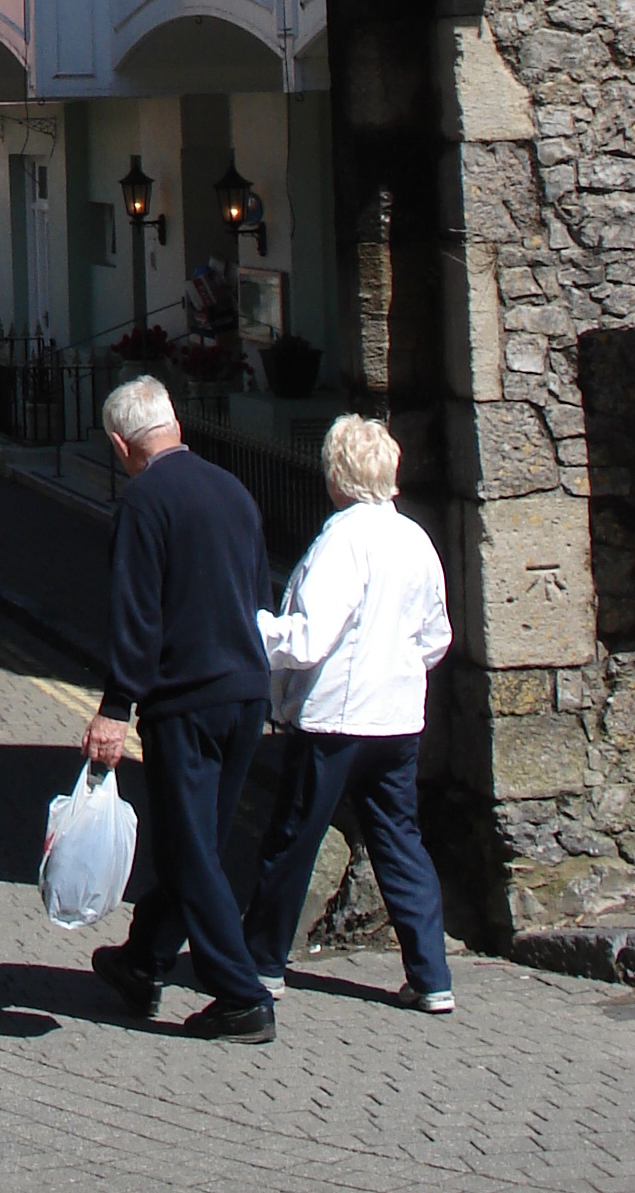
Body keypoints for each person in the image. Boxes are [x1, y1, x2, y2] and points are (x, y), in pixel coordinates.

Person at [83, 373, 277, 1043]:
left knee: (191, 850)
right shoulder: (233, 490)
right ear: (175, 425)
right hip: (245, 690)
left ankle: (241, 994)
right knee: (199, 841)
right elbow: (256, 591)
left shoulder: (144, 503)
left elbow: (137, 616)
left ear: (119, 442)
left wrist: (116, 708)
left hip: (186, 698)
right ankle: (143, 961)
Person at [241, 414, 455, 1012]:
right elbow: (436, 637)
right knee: (399, 840)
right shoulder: (415, 539)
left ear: (338, 473)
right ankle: (431, 975)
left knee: (294, 837)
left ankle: (262, 962)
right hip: (398, 718)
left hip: (337, 720)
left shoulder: (342, 537)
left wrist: (255, 630)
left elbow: (308, 639)